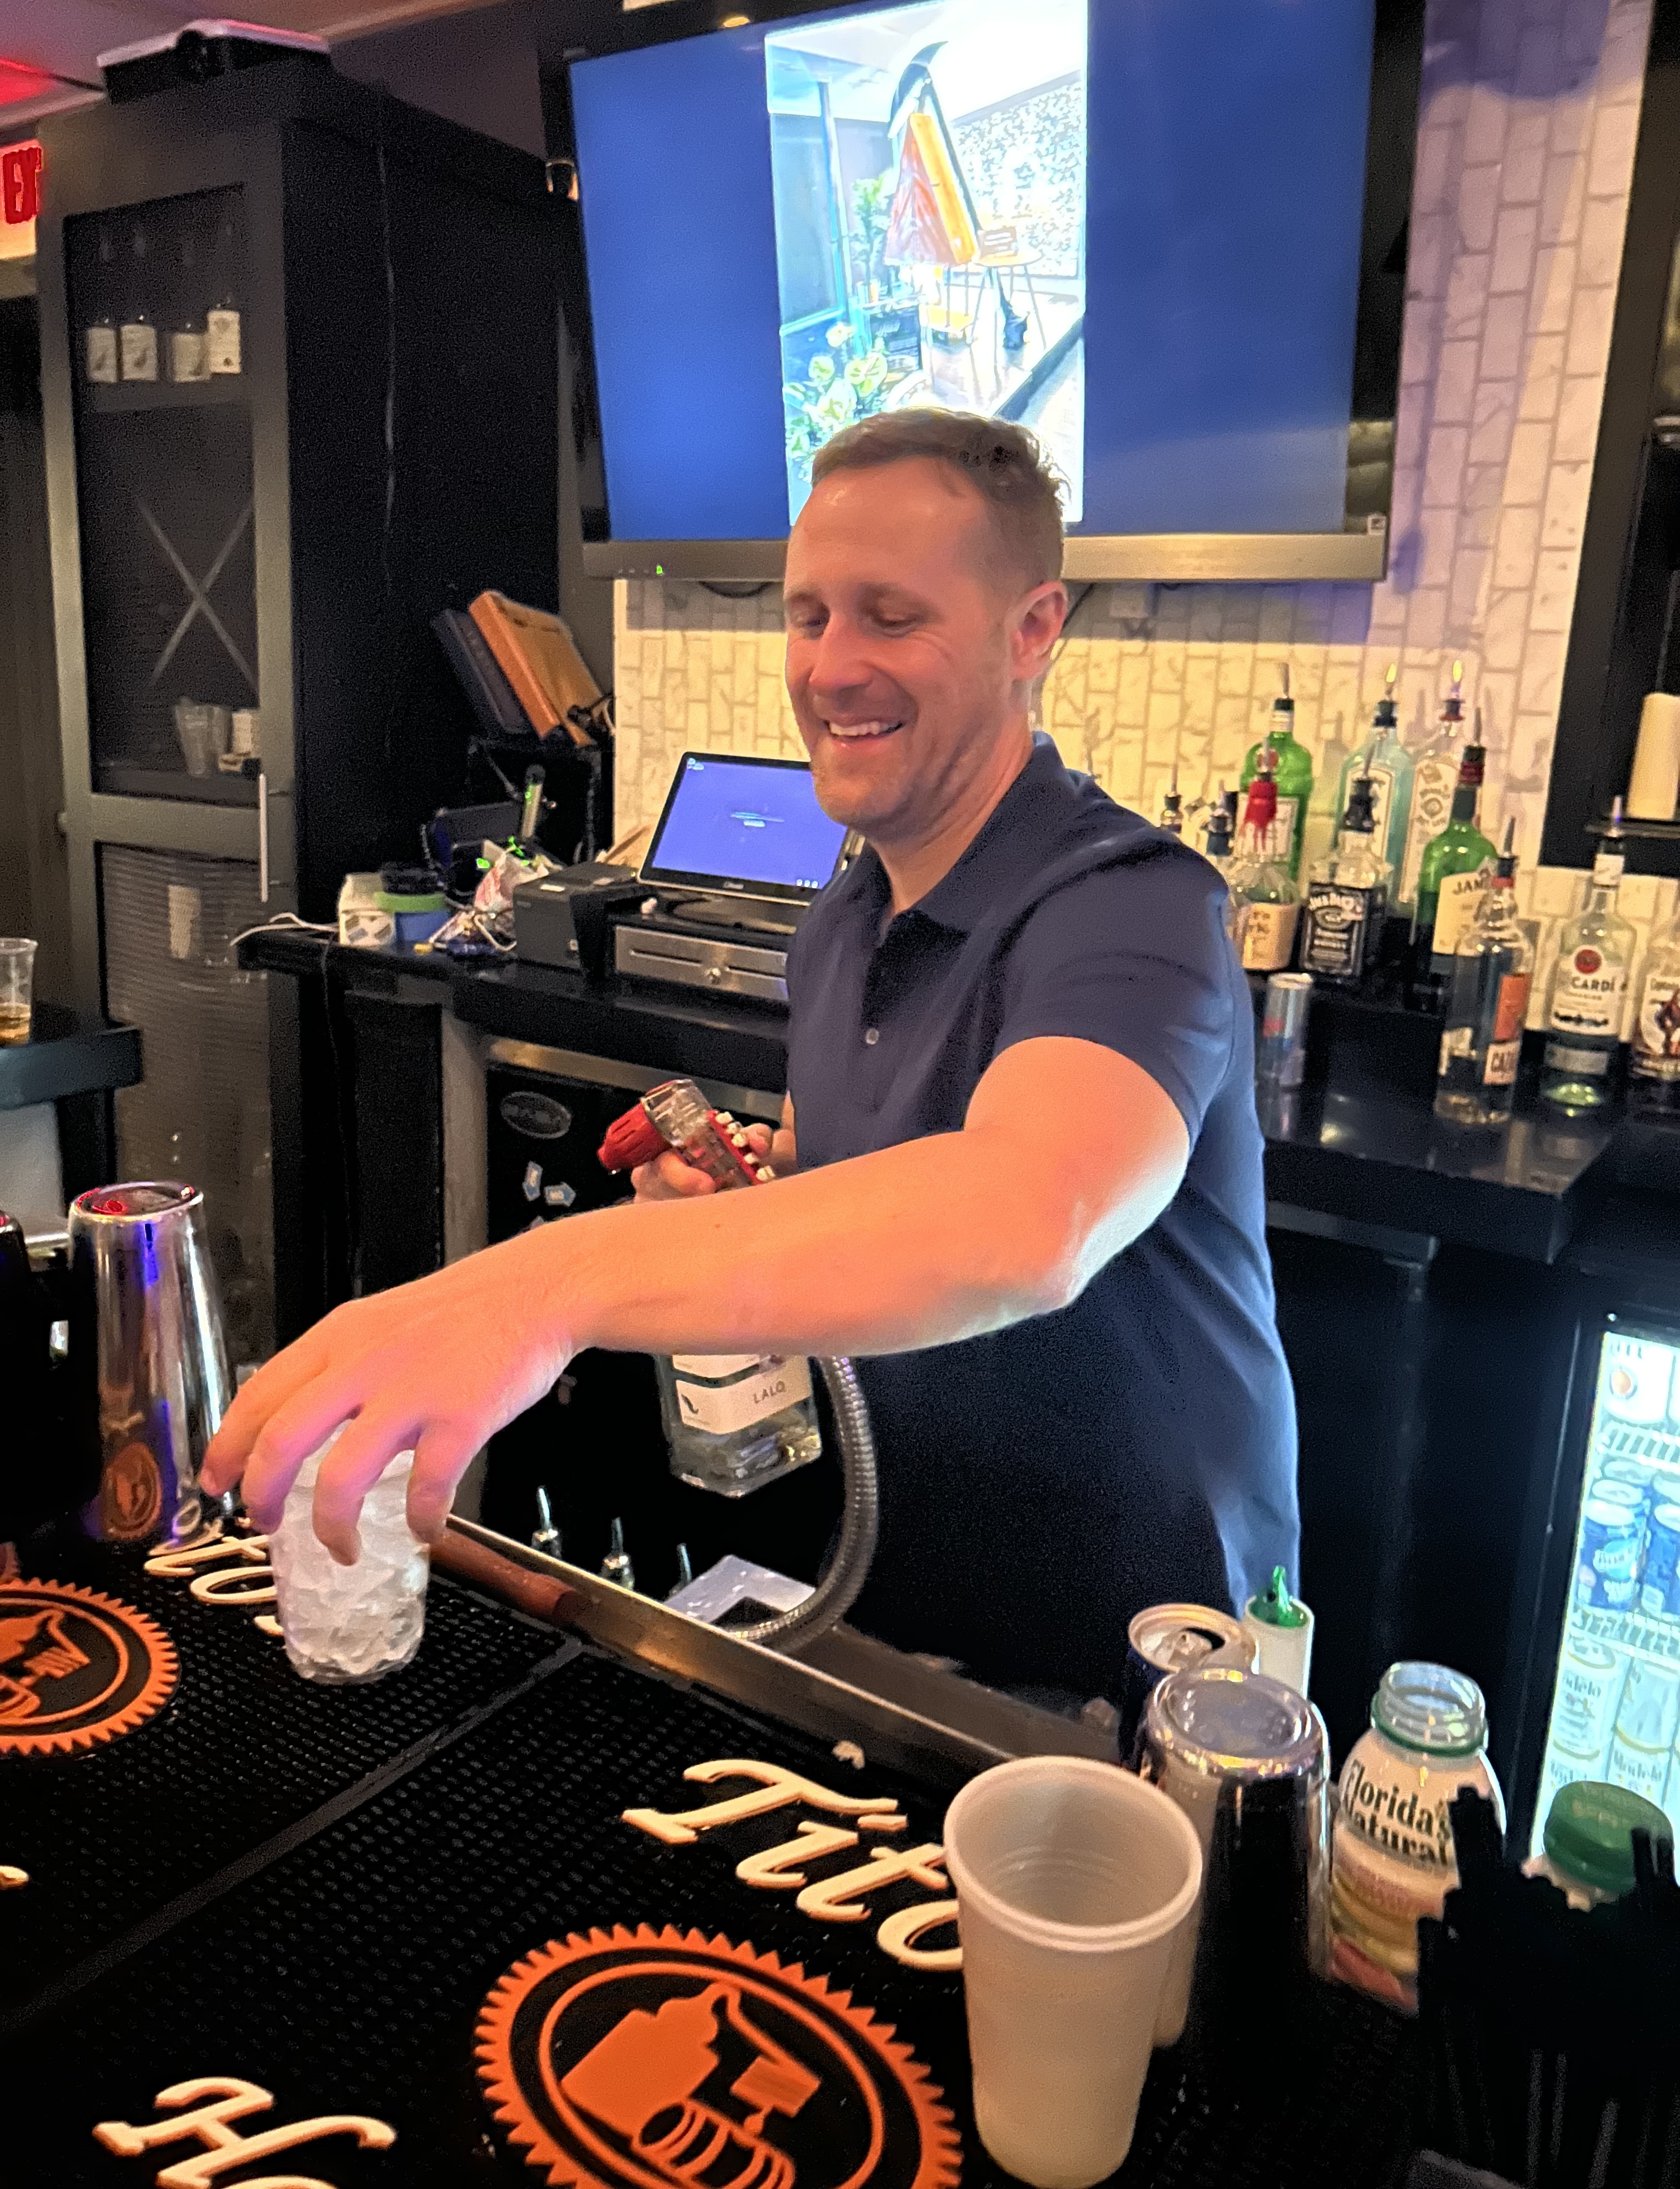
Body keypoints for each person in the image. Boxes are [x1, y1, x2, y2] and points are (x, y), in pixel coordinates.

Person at [202, 409, 1297, 1704]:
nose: (831, 668)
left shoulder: (1133, 904)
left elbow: (1029, 1216)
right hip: (889, 1596)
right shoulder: (841, 920)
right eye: (809, 615)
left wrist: (544, 1287)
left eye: (892, 616)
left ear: (1034, 628)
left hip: (1136, 1656)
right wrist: (757, 1186)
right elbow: (874, 1188)